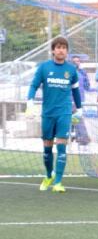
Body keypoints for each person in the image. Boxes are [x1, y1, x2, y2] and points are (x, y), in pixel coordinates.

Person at [25, 36, 83, 193]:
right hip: (48, 114)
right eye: (58, 47)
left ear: (67, 51)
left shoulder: (71, 70)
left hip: (64, 113)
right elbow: (34, 85)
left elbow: (76, 91)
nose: (61, 50)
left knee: (62, 147)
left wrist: (79, 108)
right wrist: (29, 102)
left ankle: (58, 182)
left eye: (64, 47)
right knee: (47, 148)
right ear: (53, 50)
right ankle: (48, 175)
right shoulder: (44, 68)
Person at [71, 55, 91, 145]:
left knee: (77, 118)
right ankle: (78, 136)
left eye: (77, 61)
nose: (76, 63)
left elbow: (87, 86)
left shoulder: (82, 73)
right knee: (74, 119)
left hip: (76, 99)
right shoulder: (70, 72)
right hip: (72, 99)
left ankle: (84, 137)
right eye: (74, 61)